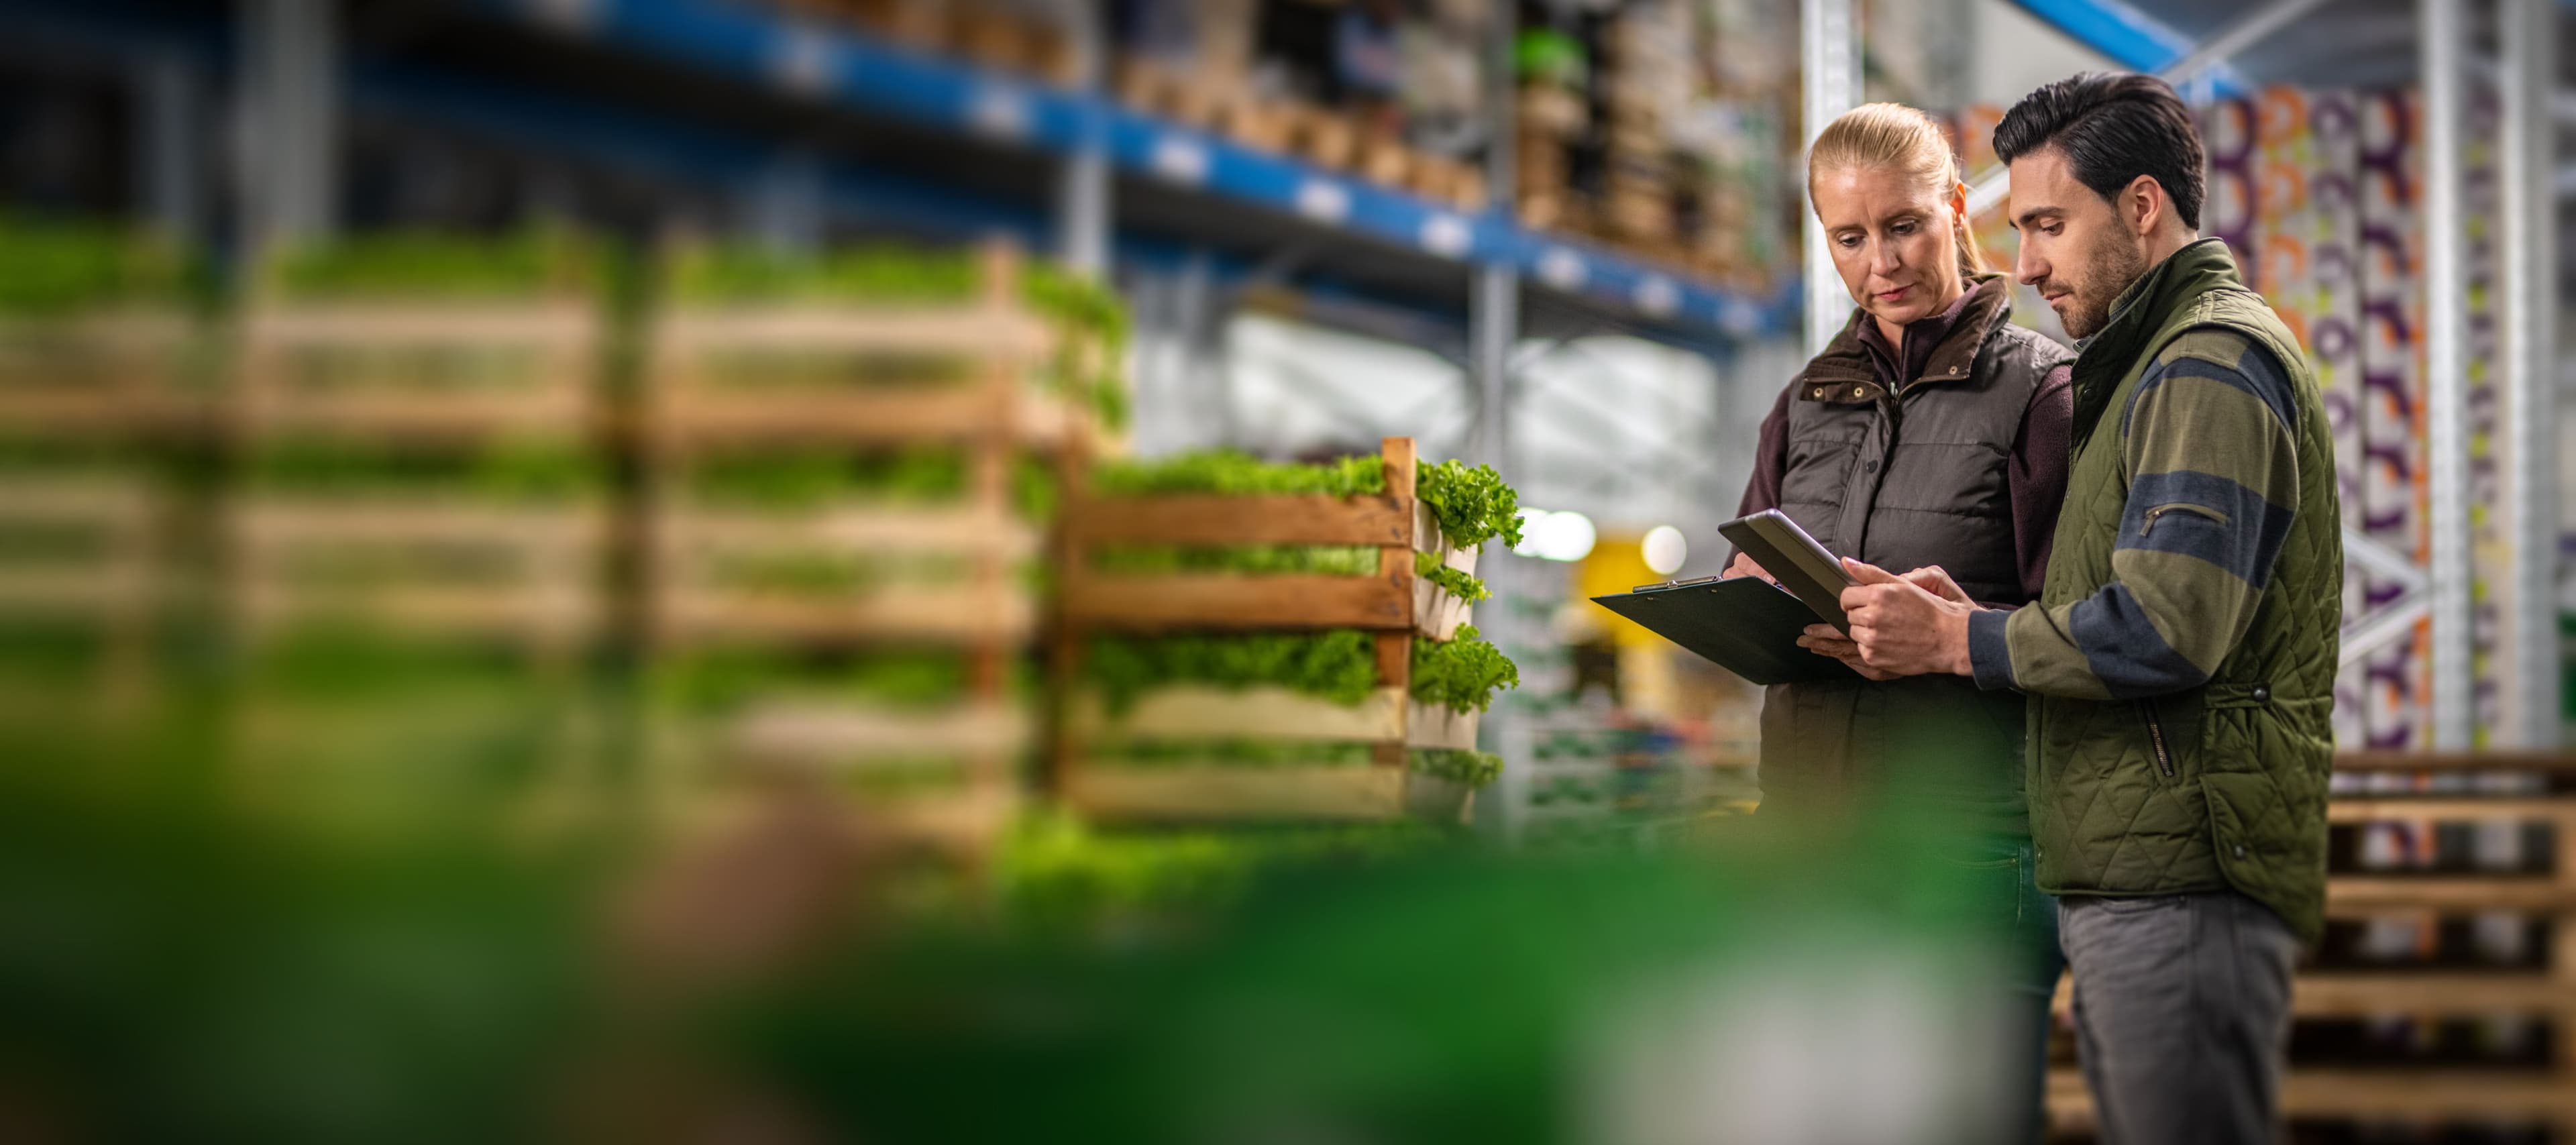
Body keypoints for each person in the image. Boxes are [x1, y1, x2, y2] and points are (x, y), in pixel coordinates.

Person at [1831, 72, 2342, 1145]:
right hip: (2138, 869)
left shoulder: (2207, 361)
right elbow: (2131, 599)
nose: (2027, 265)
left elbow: (2168, 625)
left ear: (2143, 207)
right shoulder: (2150, 361)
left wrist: (1958, 640)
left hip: (2184, 872)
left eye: (2050, 225)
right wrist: (1971, 609)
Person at [1721, 101, 2074, 1145]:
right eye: (1850, 237)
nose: (1883, 261)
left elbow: (2085, 630)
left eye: (1906, 225)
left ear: (1958, 210)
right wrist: (1746, 596)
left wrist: (1954, 638)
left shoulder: (2043, 390)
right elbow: (1750, 554)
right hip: (1809, 835)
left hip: (1968, 841)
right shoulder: (1804, 402)